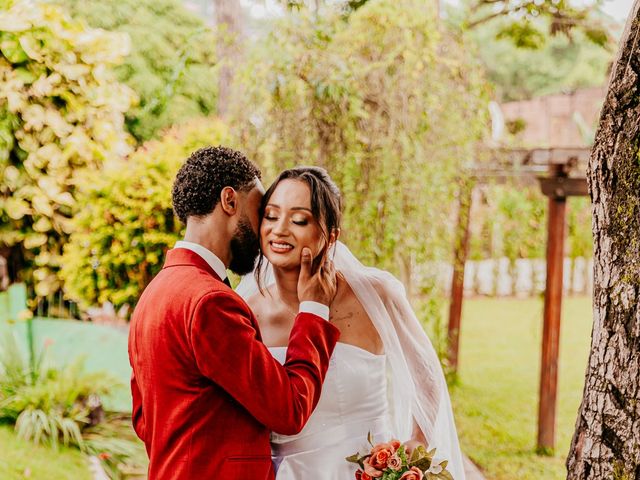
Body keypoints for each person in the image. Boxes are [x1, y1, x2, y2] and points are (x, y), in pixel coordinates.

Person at [237, 166, 465, 479]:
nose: (280, 229)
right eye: (272, 216)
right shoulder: (248, 312)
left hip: (363, 469)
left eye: (299, 219)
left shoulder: (376, 294)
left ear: (331, 235)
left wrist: (418, 439)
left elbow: (425, 372)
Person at [128, 147, 341, 479]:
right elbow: (290, 409)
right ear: (230, 201)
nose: (263, 232)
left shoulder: (152, 295)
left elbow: (144, 421)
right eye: (262, 211)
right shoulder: (211, 302)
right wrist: (313, 309)